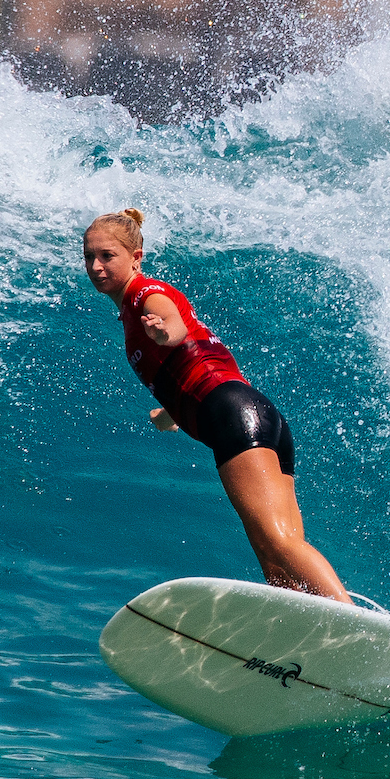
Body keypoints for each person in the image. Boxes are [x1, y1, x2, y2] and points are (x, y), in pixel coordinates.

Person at [82, 208, 350, 604]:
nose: (96, 266)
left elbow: (174, 328)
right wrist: (171, 411)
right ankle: (310, 638)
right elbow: (193, 364)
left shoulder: (145, 294)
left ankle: (351, 623)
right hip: (255, 415)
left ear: (136, 257)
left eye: (107, 255)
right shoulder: (129, 311)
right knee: (275, 556)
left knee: (279, 543)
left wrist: (164, 331)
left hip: (233, 416)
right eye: (89, 257)